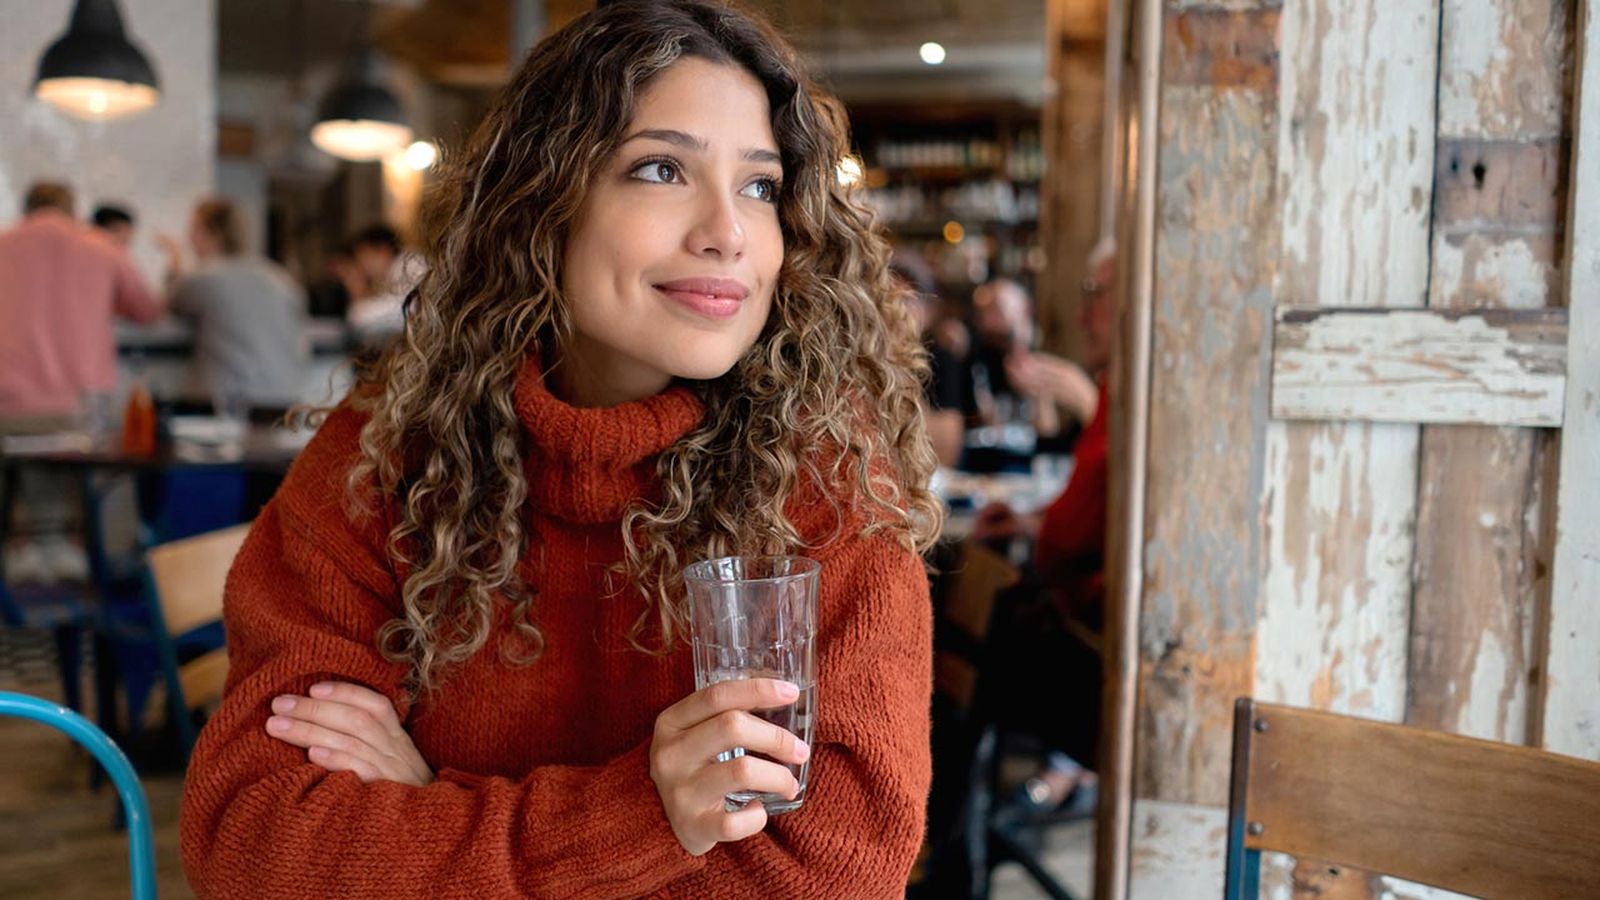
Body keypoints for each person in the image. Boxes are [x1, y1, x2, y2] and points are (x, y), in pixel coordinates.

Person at [179, 3, 941, 897]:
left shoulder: (827, 478)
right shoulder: (386, 455)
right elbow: (252, 839)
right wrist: (641, 816)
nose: (728, 233)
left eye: (761, 186)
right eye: (662, 169)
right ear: (543, 204)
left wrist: (425, 804)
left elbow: (829, 876)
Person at [969, 237, 1118, 818]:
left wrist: (1083, 402)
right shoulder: (1112, 390)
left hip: (1095, 659)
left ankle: (961, 831)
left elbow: (1069, 545)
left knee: (964, 618)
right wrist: (1031, 519)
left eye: (1094, 295)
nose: (1081, 314)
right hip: (1079, 633)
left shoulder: (1129, 395)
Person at [0, 182, 163, 422]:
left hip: (8, 403)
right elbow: (147, 312)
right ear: (73, 211)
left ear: (25, 210)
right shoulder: (104, 247)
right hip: (83, 403)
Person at [167, 198, 308, 407]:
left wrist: (175, 263)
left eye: (193, 228)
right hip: (287, 399)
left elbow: (168, 305)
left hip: (230, 405)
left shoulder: (203, 278)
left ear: (210, 233)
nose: (189, 237)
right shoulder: (280, 278)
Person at [891, 252, 964, 468]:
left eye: (907, 300)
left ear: (928, 312)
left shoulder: (940, 361)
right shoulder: (854, 361)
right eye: (886, 299)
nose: (896, 311)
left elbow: (946, 455)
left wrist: (900, 371)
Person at [343, 224, 423, 340]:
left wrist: (358, 306)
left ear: (383, 251)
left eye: (364, 257)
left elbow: (405, 309)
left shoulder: (411, 265)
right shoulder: (397, 270)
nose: (363, 266)